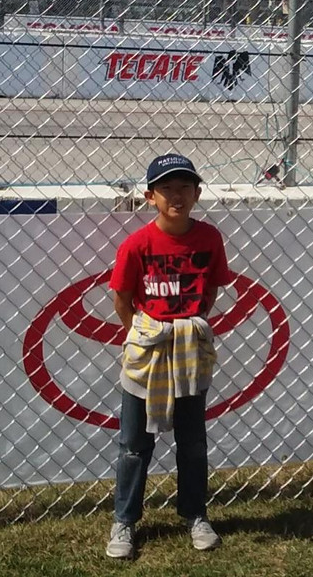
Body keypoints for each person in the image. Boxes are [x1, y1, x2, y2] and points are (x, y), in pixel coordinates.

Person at [105, 154, 233, 560]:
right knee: (134, 443)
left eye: (184, 188)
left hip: (189, 350)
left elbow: (211, 288)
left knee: (192, 441)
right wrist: (143, 335)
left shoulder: (209, 238)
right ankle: (124, 521)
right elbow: (122, 299)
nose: (176, 196)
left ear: (197, 193)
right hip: (149, 353)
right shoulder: (137, 244)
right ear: (150, 197)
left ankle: (195, 513)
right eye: (167, 189)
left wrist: (188, 327)